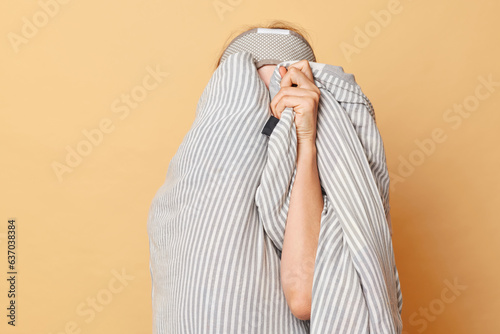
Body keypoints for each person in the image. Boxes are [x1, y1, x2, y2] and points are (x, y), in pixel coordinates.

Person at [216, 21, 324, 321]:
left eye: (287, 90)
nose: (273, 108)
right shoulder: (184, 190)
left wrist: (305, 142)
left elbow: (307, 297)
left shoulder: (328, 172)